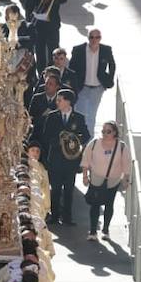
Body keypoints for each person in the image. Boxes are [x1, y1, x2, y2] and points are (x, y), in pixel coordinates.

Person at [43, 90, 90, 226]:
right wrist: (58, 141)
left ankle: (67, 217)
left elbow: (86, 135)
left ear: (68, 101)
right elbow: (46, 136)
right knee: (56, 189)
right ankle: (54, 215)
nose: (57, 102)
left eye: (60, 100)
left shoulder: (79, 117)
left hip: (71, 160)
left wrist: (74, 141)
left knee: (69, 189)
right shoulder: (52, 116)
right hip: (56, 159)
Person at [81, 122, 131, 241]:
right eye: (103, 131)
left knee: (109, 204)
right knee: (95, 204)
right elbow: (86, 159)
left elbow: (126, 164)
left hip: (113, 181)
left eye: (108, 131)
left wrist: (126, 179)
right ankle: (93, 231)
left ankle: (106, 230)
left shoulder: (121, 146)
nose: (105, 134)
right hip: (96, 179)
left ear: (114, 133)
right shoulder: (94, 144)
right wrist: (85, 176)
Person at [71, 29, 116, 135]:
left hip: (97, 88)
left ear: (100, 38)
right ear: (88, 38)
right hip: (82, 88)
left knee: (91, 116)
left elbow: (112, 65)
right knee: (80, 115)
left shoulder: (106, 50)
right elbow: (72, 68)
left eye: (97, 37)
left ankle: (89, 143)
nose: (94, 40)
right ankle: (78, 141)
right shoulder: (79, 50)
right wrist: (74, 84)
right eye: (91, 37)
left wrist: (109, 79)